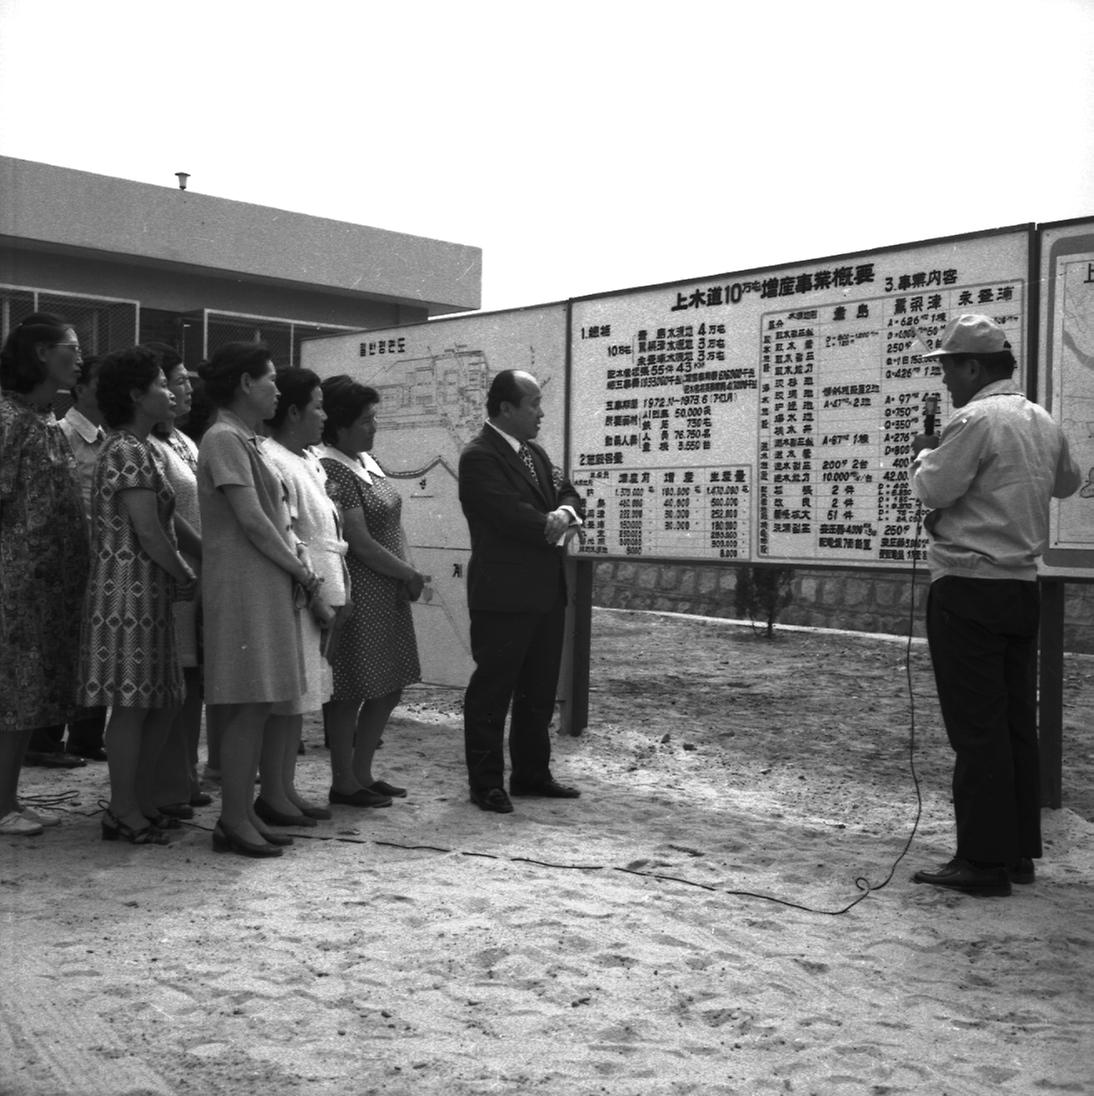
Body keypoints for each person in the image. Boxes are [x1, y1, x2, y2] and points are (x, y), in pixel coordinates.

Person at [910, 314, 1081, 897]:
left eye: (949, 367)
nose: (946, 382)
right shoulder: (1041, 419)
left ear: (974, 366)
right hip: (1019, 588)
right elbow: (1067, 483)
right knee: (1013, 726)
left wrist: (925, 455)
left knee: (976, 729)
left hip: (967, 587)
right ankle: (1015, 855)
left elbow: (933, 489)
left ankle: (981, 863)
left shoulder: (975, 418)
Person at [197, 341, 318, 858]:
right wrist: (301, 570)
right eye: (269, 379)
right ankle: (232, 819)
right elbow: (252, 520)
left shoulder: (244, 439)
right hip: (244, 583)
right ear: (245, 383)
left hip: (262, 582)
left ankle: (243, 813)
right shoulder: (224, 437)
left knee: (262, 701)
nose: (276, 389)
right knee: (249, 704)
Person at [77, 346, 196, 845]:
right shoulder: (127, 449)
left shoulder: (142, 446)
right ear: (135, 395)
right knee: (131, 705)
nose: (171, 392)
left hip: (144, 593)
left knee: (159, 701)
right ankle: (124, 810)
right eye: (160, 384)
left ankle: (139, 801)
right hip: (125, 595)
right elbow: (148, 531)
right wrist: (187, 572)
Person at [457, 369, 585, 813]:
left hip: (545, 592)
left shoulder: (535, 452)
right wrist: (549, 524)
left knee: (538, 689)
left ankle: (531, 774)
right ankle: (487, 784)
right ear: (506, 408)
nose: (541, 412)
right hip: (504, 595)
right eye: (533, 403)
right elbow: (506, 513)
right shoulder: (479, 456)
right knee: (493, 691)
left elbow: (568, 491)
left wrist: (565, 511)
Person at [0, 313, 91, 835]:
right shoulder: (10, 421)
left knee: (27, 698)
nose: (78, 358)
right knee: (13, 696)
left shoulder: (42, 421)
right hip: (16, 587)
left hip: (44, 589)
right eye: (70, 348)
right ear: (40, 354)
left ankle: (8, 796)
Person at [318, 375, 425, 808]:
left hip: (388, 588)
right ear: (340, 427)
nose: (373, 427)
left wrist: (405, 570)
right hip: (359, 590)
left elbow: (391, 524)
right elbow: (360, 541)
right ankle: (344, 780)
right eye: (365, 421)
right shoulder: (331, 468)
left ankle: (363, 772)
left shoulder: (366, 461)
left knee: (389, 683)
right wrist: (408, 574)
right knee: (351, 689)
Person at [261, 368, 344, 825]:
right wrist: (313, 592)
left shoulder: (306, 457)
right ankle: (272, 792)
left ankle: (286, 788)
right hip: (298, 593)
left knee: (304, 699)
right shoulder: (273, 459)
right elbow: (288, 535)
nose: (324, 415)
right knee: (285, 703)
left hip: (321, 593)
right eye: (316, 406)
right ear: (293, 412)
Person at [26, 353, 108, 766]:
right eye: (100, 381)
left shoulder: (111, 436)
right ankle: (46, 740)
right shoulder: (61, 434)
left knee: (96, 647)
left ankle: (87, 737)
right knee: (64, 648)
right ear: (81, 389)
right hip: (71, 557)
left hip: (103, 558)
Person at [147, 347, 207, 816]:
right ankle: (166, 783)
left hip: (199, 573)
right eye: (176, 381)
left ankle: (185, 775)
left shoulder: (186, 441)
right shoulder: (146, 445)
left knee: (193, 683)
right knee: (175, 681)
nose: (185, 389)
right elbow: (167, 515)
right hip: (177, 572)